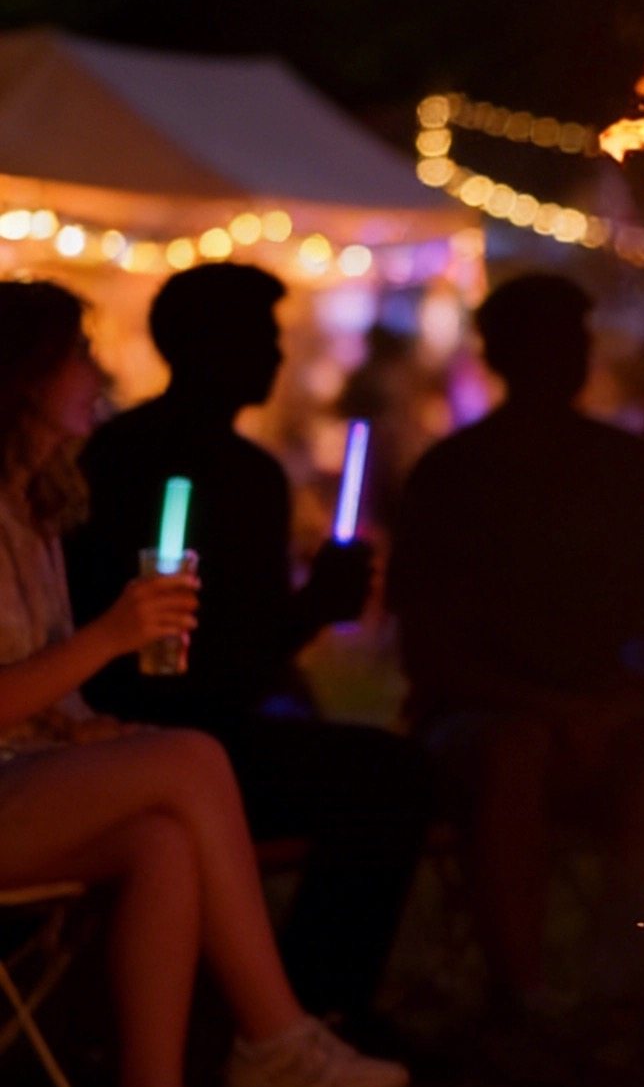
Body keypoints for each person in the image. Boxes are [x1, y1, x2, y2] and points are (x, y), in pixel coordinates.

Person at [0, 281, 406, 1087]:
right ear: (23, 377)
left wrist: (84, 728)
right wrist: (114, 636)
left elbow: (41, 684)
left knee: (162, 838)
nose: (98, 373)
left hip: (27, 776)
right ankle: (276, 1036)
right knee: (189, 756)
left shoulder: (36, 508)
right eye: (78, 355)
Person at [65, 265, 431, 1031]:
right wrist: (312, 612)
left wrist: (312, 612)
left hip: (205, 725)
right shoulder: (137, 466)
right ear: (201, 345)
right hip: (139, 727)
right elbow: (195, 664)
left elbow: (246, 650)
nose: (274, 355)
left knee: (383, 769)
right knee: (387, 777)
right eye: (259, 337)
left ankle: (294, 1003)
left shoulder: (234, 471)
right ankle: (308, 1005)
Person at [388, 273, 644, 1038]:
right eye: (545, 341)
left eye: (573, 339)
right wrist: (554, 709)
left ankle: (641, 985)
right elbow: (431, 649)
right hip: (484, 720)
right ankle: (523, 996)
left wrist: (621, 701)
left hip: (612, 715)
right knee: (514, 753)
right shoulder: (455, 475)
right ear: (501, 353)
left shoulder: (624, 469)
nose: (566, 356)